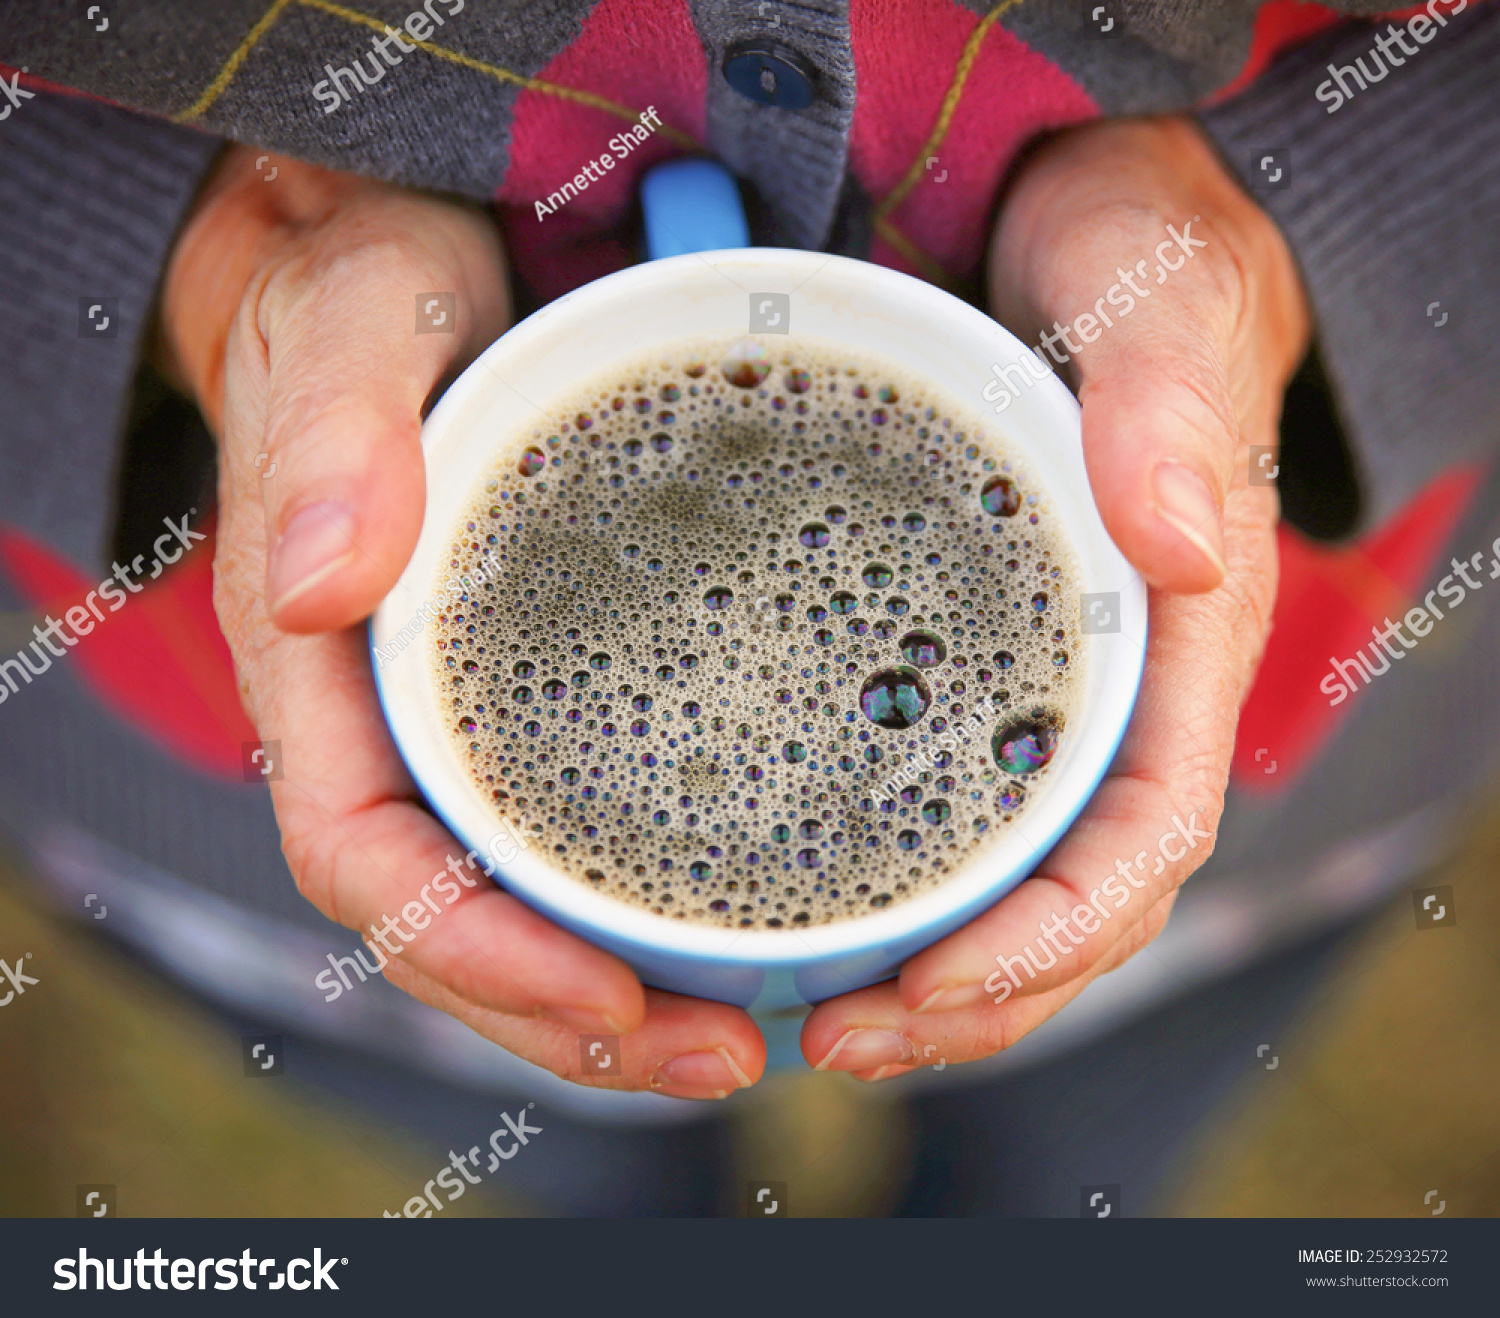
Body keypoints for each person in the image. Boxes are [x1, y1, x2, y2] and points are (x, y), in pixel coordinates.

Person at [2, 1, 1497, 1210]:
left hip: (1266, 790)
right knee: (565, 1160)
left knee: (1078, 1160)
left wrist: (1293, 227)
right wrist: (188, 254)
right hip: (216, 797)